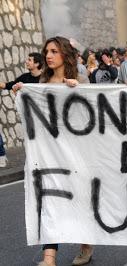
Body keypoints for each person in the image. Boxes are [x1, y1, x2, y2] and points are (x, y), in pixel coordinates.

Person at [14, 36, 92, 266]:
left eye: (54, 51)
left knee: (78, 202)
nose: (48, 56)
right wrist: (22, 93)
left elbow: (93, 112)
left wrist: (79, 91)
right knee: (49, 201)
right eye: (47, 51)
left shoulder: (80, 79)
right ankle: (49, 257)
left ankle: (86, 245)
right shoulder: (42, 82)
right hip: (50, 153)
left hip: (77, 154)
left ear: (65, 55)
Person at [0, 52, 44, 166]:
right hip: (31, 117)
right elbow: (9, 85)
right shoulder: (25, 78)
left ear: (37, 63)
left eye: (30, 60)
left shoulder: (46, 78)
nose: (26, 61)